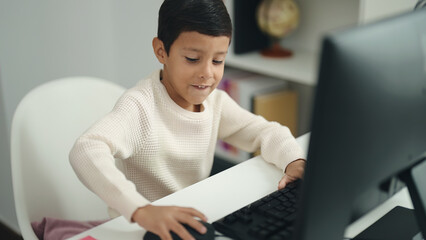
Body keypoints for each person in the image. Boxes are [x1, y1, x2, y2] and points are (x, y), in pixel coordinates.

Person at [69, 0, 306, 239]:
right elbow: (86, 149)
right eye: (193, 59)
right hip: (139, 227)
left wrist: (293, 160)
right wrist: (141, 209)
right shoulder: (139, 106)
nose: (207, 73)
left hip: (190, 216)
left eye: (217, 60)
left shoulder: (216, 103)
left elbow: (264, 131)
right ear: (161, 51)